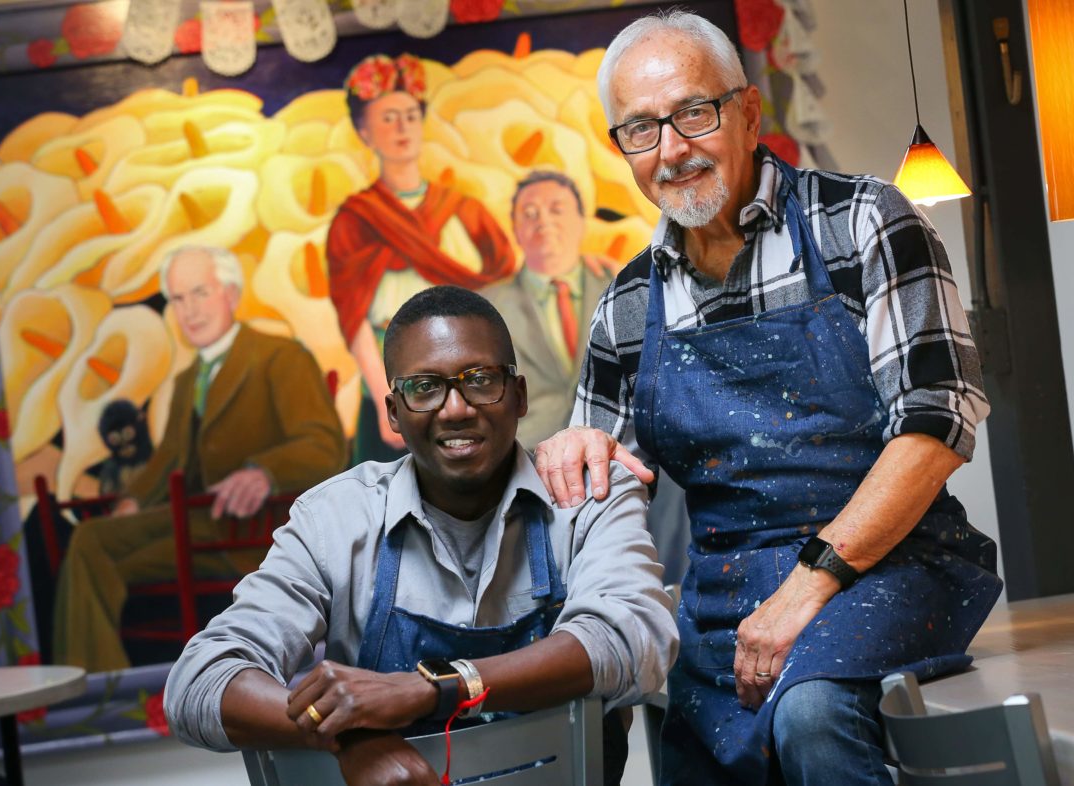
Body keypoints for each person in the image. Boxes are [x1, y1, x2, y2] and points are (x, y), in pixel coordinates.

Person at [533, 10, 1004, 785]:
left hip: (891, 565)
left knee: (811, 713)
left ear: (748, 113)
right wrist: (573, 456)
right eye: (641, 130)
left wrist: (806, 586)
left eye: (693, 112)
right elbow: (603, 488)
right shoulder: (625, 305)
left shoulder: (862, 223)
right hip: (721, 603)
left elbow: (935, 425)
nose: (673, 151)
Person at [165, 286, 677, 786]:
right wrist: (348, 737)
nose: (455, 408)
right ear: (392, 413)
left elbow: (632, 639)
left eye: (479, 379)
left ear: (518, 396)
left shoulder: (587, 493)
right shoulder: (334, 520)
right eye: (424, 387)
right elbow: (200, 681)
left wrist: (432, 689)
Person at [52, 246, 347, 673]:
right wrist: (133, 500)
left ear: (229, 294)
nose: (189, 310)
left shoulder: (280, 356)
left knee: (93, 546)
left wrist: (264, 473)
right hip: (199, 525)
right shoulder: (188, 378)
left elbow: (324, 444)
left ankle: (102, 687)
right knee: (94, 547)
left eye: (199, 293)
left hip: (256, 533)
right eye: (178, 299)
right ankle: (103, 681)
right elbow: (170, 461)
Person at [327, 53, 515, 464]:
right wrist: (384, 400)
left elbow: (505, 285)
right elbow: (354, 318)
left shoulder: (463, 210)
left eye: (410, 116)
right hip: (392, 387)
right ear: (364, 131)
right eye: (388, 117)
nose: (402, 127)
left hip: (469, 388)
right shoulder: (354, 220)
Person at [483, 171, 612, 449]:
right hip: (526, 458)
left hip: (620, 453)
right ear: (515, 230)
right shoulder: (485, 309)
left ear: (581, 222)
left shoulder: (620, 288)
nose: (543, 220)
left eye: (556, 210)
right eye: (529, 213)